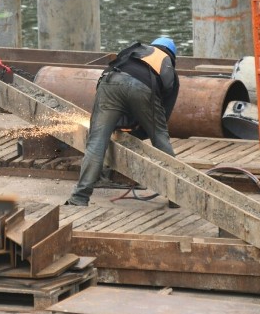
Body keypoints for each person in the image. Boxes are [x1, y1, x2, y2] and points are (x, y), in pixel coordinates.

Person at [65, 37, 180, 207]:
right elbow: (162, 117)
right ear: (172, 55)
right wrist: (138, 132)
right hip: (143, 88)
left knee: (96, 141)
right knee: (161, 139)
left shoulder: (136, 50)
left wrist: (115, 124)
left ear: (154, 45)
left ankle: (79, 197)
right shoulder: (169, 67)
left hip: (110, 81)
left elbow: (113, 71)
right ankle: (176, 197)